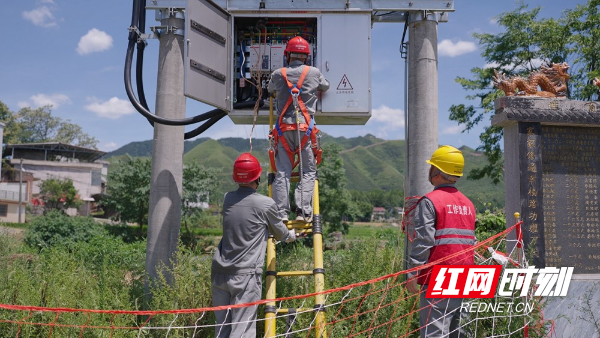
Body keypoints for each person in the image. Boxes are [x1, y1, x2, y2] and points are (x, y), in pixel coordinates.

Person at [211, 153, 296, 338]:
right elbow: (281, 233)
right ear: (257, 177)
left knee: (222, 329)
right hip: (245, 276)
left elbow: (248, 221)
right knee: (242, 330)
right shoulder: (265, 204)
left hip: (219, 272)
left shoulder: (227, 199)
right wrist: (291, 236)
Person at [406, 145, 477, 338]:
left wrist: (413, 273)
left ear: (437, 171)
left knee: (434, 334)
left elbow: (423, 241)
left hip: (440, 276)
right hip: (467, 277)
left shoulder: (430, 201)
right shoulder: (468, 204)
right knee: (461, 333)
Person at [267, 36, 330, 222]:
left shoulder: (278, 73)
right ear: (306, 56)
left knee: (282, 172)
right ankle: (303, 212)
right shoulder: (314, 72)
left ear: (287, 54)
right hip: (305, 130)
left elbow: (270, 88)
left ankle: (281, 213)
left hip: (284, 130)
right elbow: (325, 86)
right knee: (308, 171)